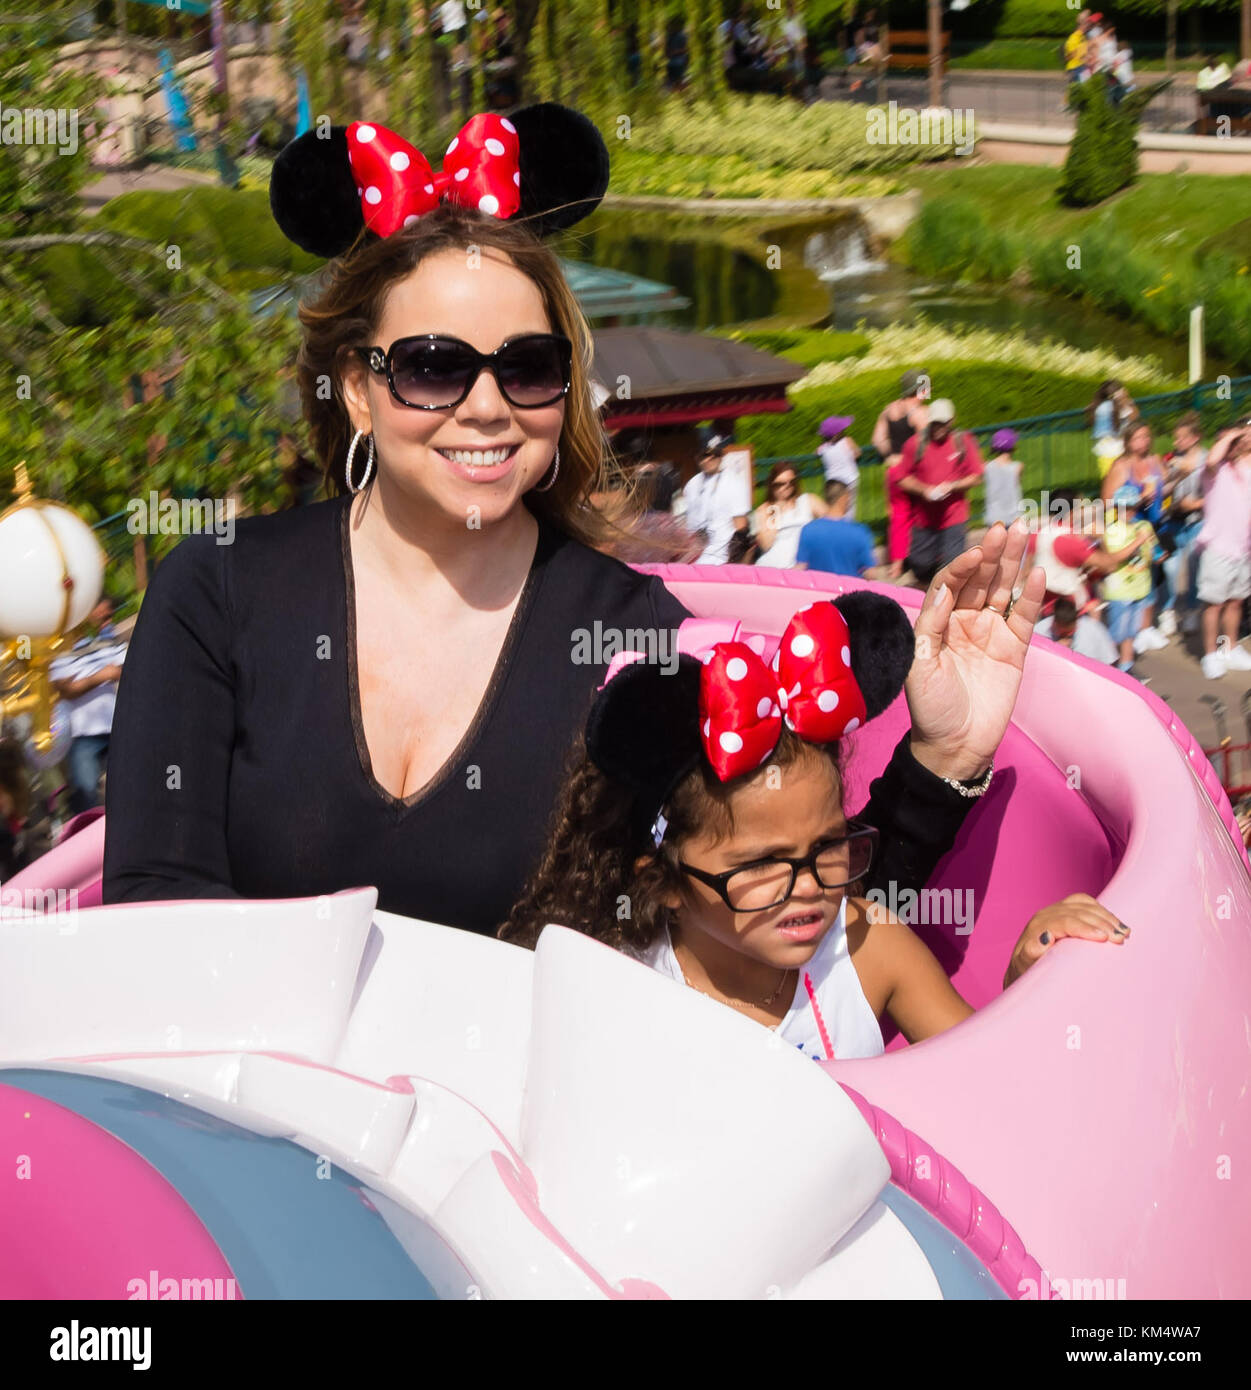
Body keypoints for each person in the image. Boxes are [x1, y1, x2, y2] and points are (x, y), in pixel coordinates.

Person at [103, 103, 1051, 942]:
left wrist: (944, 758)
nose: (485, 408)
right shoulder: (219, 590)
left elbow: (777, 931)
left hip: (522, 1137)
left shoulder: (633, 639)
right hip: (246, 1120)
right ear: (356, 387)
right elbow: (155, 911)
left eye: (525, 367)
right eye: (434, 366)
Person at [501, 597, 1126, 1059]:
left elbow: (988, 1082)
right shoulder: (618, 988)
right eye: (762, 864)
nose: (808, 888)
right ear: (661, 881)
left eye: (827, 847)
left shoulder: (868, 948)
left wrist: (1027, 977)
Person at [49, 596, 128, 816]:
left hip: (116, 726)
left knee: (131, 785)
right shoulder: (59, 653)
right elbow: (66, 690)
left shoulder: (105, 642)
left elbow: (127, 668)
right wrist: (102, 674)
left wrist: (85, 680)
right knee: (87, 799)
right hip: (82, 736)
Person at [896, 398, 984, 586]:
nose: (938, 428)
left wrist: (952, 486)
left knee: (954, 566)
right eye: (935, 423)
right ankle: (928, 583)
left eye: (942, 423)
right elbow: (902, 478)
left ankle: (946, 600)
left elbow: (977, 475)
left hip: (954, 517)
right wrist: (924, 490)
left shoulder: (963, 442)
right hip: (924, 519)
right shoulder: (915, 444)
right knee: (920, 565)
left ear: (952, 421)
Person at [1195, 420, 1251, 680]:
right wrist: (1234, 434)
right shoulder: (1214, 470)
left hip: (1244, 548)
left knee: (1236, 601)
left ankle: (1229, 648)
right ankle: (1210, 654)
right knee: (1214, 604)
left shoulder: (1245, 465)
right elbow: (1213, 457)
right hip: (1218, 547)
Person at [872, 369, 929, 581]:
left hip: (893, 470)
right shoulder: (919, 412)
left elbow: (878, 439)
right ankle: (919, 559)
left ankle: (896, 566)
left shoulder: (889, 410)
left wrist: (892, 455)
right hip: (912, 471)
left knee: (898, 516)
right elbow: (925, 443)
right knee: (921, 514)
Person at [1156, 413, 1207, 638]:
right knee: (1170, 569)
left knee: (1196, 568)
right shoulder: (1170, 458)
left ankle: (1191, 611)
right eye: (1175, 438)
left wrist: (1195, 504)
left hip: (1197, 521)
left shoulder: (1208, 460)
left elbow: (1216, 492)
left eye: (1181, 438)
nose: (1177, 443)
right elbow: (1161, 491)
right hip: (1173, 522)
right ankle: (1166, 610)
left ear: (1195, 437)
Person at [1101, 485, 1160, 674]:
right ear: (1117, 509)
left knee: (1131, 632)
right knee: (1116, 632)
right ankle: (1106, 667)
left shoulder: (1144, 526)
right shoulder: (1113, 530)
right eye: (1124, 508)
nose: (1129, 512)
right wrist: (1138, 541)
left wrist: (1155, 552)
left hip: (1140, 588)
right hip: (1120, 591)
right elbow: (1116, 557)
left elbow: (1151, 554)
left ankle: (1127, 666)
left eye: (1133, 507)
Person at [683, 436, 751, 565]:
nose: (708, 459)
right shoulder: (692, 484)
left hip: (722, 559)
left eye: (714, 455)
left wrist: (734, 561)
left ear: (720, 457)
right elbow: (687, 522)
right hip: (694, 558)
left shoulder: (734, 482)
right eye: (704, 456)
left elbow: (741, 528)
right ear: (697, 457)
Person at [795, 481, 880, 577]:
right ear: (843, 499)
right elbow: (871, 573)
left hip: (820, 590)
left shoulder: (808, 530)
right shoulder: (860, 532)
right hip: (850, 590)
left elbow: (800, 567)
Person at [754, 462, 826, 569]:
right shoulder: (764, 510)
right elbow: (766, 545)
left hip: (800, 568)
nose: (787, 486)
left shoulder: (808, 500)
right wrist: (777, 508)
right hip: (771, 568)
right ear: (772, 485)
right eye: (780, 484)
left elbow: (834, 522)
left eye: (791, 482)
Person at [1035, 596, 1118, 665]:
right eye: (1063, 634)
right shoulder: (1039, 632)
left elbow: (1110, 661)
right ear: (1054, 623)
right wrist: (1055, 650)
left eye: (1070, 633)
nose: (1067, 637)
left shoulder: (1093, 629)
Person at [816, 414, 860, 518]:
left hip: (833, 481)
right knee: (849, 506)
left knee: (833, 506)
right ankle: (848, 526)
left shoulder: (823, 448)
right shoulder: (847, 441)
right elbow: (857, 453)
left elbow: (816, 452)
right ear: (838, 433)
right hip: (850, 479)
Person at [983, 428, 1023, 528]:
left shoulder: (986, 466)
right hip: (1013, 518)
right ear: (1012, 446)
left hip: (993, 518)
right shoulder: (1018, 467)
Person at [1063, 11, 1090, 83]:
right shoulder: (1074, 37)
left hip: (1082, 67)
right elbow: (1070, 55)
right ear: (1082, 25)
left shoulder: (1083, 37)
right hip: (1075, 69)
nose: (1088, 26)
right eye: (1087, 24)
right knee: (1077, 91)